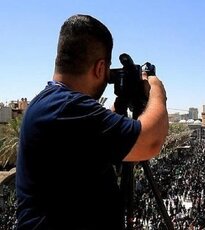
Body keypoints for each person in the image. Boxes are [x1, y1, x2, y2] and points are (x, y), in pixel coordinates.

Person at [16, 14, 168, 230]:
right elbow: (150, 142)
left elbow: (94, 133)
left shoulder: (50, 103)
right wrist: (156, 88)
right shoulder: (65, 108)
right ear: (99, 68)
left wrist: (121, 103)